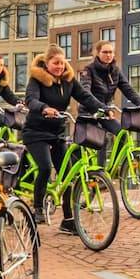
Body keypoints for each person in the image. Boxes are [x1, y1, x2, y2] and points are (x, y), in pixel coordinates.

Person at [23, 47, 106, 230]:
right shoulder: (37, 80)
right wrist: (44, 108)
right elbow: (31, 99)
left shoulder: (69, 81)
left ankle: (68, 221)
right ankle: (37, 208)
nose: (60, 66)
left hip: (57, 133)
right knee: (45, 167)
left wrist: (103, 109)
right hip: (36, 133)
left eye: (62, 62)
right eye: (55, 63)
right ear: (47, 63)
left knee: (68, 176)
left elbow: (85, 97)